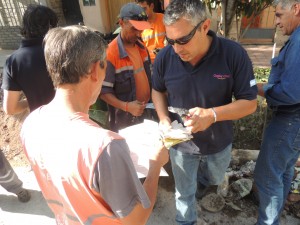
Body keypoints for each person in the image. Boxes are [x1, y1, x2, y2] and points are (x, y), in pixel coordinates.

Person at [21, 25, 169, 225]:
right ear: (93, 70)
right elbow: (136, 220)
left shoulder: (31, 124)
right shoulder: (104, 147)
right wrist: (154, 167)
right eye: (105, 65)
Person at [151, 0, 258, 224]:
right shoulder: (165, 58)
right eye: (170, 41)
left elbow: (249, 103)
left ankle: (201, 182)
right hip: (180, 143)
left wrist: (213, 115)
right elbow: (157, 91)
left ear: (204, 26)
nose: (177, 49)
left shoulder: (233, 54)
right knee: (184, 194)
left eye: (183, 40)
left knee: (214, 178)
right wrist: (163, 119)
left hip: (218, 142)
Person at [254, 0, 300, 224]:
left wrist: (256, 88)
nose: (278, 22)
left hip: (290, 119)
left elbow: (292, 92)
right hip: (293, 122)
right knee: (282, 172)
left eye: (280, 15)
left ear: (296, 8)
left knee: (267, 176)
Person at [100, 3, 156, 132]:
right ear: (121, 23)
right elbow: (103, 92)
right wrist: (127, 107)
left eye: (140, 30)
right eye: (134, 29)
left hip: (147, 111)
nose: (138, 34)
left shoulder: (142, 48)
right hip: (125, 120)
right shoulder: (110, 54)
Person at [1, 4, 58, 115]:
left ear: (25, 26)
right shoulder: (61, 51)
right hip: (71, 121)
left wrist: (31, 101)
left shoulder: (13, 62)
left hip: (40, 123)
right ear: (51, 26)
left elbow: (10, 109)